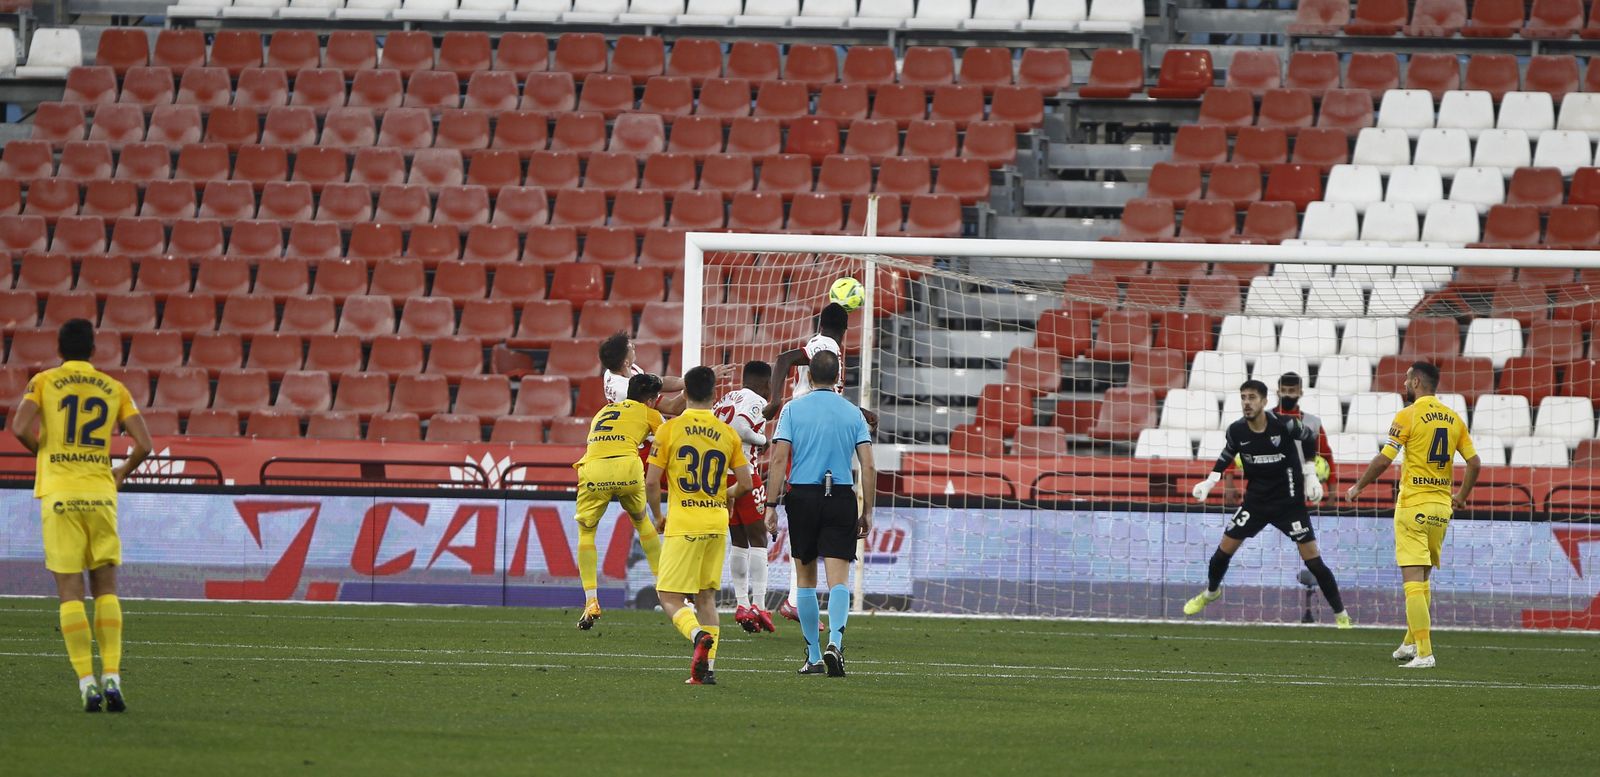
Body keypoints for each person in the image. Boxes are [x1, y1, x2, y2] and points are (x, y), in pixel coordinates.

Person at [10, 319, 152, 712]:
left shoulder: (43, 382)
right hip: (99, 493)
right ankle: (113, 676)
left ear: (59, 348)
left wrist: (44, 452)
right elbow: (144, 443)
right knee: (106, 589)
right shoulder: (114, 388)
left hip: (60, 495)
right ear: (94, 350)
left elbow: (18, 426)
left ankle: (87, 683)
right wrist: (121, 472)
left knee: (69, 593)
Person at [1345, 361, 1479, 670]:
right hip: (1441, 508)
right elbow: (1474, 463)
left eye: (1407, 380)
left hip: (1413, 506)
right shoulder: (1454, 418)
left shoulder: (1408, 415)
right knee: (1423, 580)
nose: (1404, 385)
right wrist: (1461, 496)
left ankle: (1425, 652)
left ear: (1417, 382)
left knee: (1411, 583)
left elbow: (1384, 459)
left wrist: (1358, 487)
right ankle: (1409, 643)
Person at [1189, 379, 1351, 628]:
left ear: (1264, 401)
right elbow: (1227, 453)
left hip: (1290, 504)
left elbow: (1309, 439)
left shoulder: (1284, 424)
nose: (1246, 402)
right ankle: (1211, 592)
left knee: (1314, 561)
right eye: (1243, 397)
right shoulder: (1236, 430)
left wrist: (1310, 475)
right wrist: (1210, 482)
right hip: (1255, 503)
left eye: (1252, 397)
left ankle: (1341, 614)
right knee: (1221, 554)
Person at [762, 303, 876, 622]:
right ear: (845, 330)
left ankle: (795, 599)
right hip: (808, 423)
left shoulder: (823, 350)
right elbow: (785, 358)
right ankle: (797, 600)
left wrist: (860, 413)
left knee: (807, 513)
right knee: (819, 500)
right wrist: (774, 399)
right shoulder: (827, 345)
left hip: (808, 420)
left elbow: (827, 394)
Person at [646, 366, 753, 685]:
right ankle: (706, 670)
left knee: (669, 595)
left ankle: (696, 636)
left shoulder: (669, 430)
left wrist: (657, 517)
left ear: (685, 394)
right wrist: (727, 494)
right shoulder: (727, 433)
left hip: (684, 522)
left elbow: (652, 483)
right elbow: (745, 484)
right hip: (717, 522)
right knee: (706, 597)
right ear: (714, 394)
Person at [571, 372, 666, 630]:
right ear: (651, 399)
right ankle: (664, 590)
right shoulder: (650, 413)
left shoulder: (602, 412)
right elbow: (669, 441)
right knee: (642, 522)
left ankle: (591, 600)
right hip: (628, 469)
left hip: (593, 470)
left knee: (586, 532)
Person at [713, 360, 777, 634]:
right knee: (759, 537)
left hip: (719, 475)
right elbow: (740, 428)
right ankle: (760, 605)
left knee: (738, 541)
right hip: (742, 475)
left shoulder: (728, 397)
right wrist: (763, 441)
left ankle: (741, 604)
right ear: (765, 384)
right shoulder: (754, 399)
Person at [1228, 373, 1335, 489]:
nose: (1287, 395)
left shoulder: (1312, 423)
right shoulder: (1260, 418)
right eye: (1283, 390)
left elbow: (1326, 455)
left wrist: (1332, 492)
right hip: (1266, 485)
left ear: (1300, 393)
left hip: (1301, 486)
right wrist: (1229, 485)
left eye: (1291, 391)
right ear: (1278, 392)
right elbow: (1234, 447)